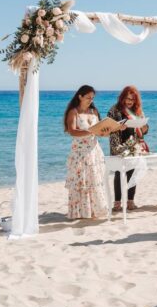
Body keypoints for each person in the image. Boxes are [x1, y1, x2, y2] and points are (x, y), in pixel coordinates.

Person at [64, 85, 108, 220]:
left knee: (95, 180)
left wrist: (106, 132)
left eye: (92, 98)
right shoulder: (74, 112)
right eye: (88, 97)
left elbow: (99, 132)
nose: (90, 100)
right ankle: (80, 213)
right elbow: (72, 131)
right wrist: (90, 131)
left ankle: (95, 211)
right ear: (80, 96)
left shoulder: (94, 112)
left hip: (94, 151)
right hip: (80, 153)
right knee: (81, 182)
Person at [107, 86, 149, 212]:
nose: (129, 101)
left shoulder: (138, 111)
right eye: (127, 98)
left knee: (133, 173)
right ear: (122, 98)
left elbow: (144, 130)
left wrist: (144, 127)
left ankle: (130, 202)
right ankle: (117, 204)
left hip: (133, 145)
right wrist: (118, 127)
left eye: (132, 99)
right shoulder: (114, 110)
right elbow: (107, 128)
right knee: (119, 174)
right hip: (118, 145)